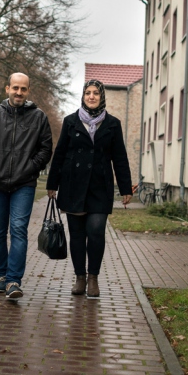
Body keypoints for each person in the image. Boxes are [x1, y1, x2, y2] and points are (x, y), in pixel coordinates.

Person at [45, 79, 133, 298]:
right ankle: (80, 278)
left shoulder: (113, 124)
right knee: (76, 235)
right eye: (87, 93)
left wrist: (125, 188)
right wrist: (52, 184)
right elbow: (60, 154)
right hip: (73, 184)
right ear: (83, 96)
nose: (92, 96)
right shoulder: (70, 121)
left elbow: (119, 158)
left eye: (95, 93)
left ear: (101, 97)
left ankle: (93, 277)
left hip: (100, 187)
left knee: (95, 231)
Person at [0, 73, 53, 300]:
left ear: (28, 91)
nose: (19, 92)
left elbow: (46, 149)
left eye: (23, 89)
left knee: (18, 229)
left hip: (24, 184)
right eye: (15, 88)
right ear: (7, 88)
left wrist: (30, 168)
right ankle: (0, 276)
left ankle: (13, 281)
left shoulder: (39, 117)